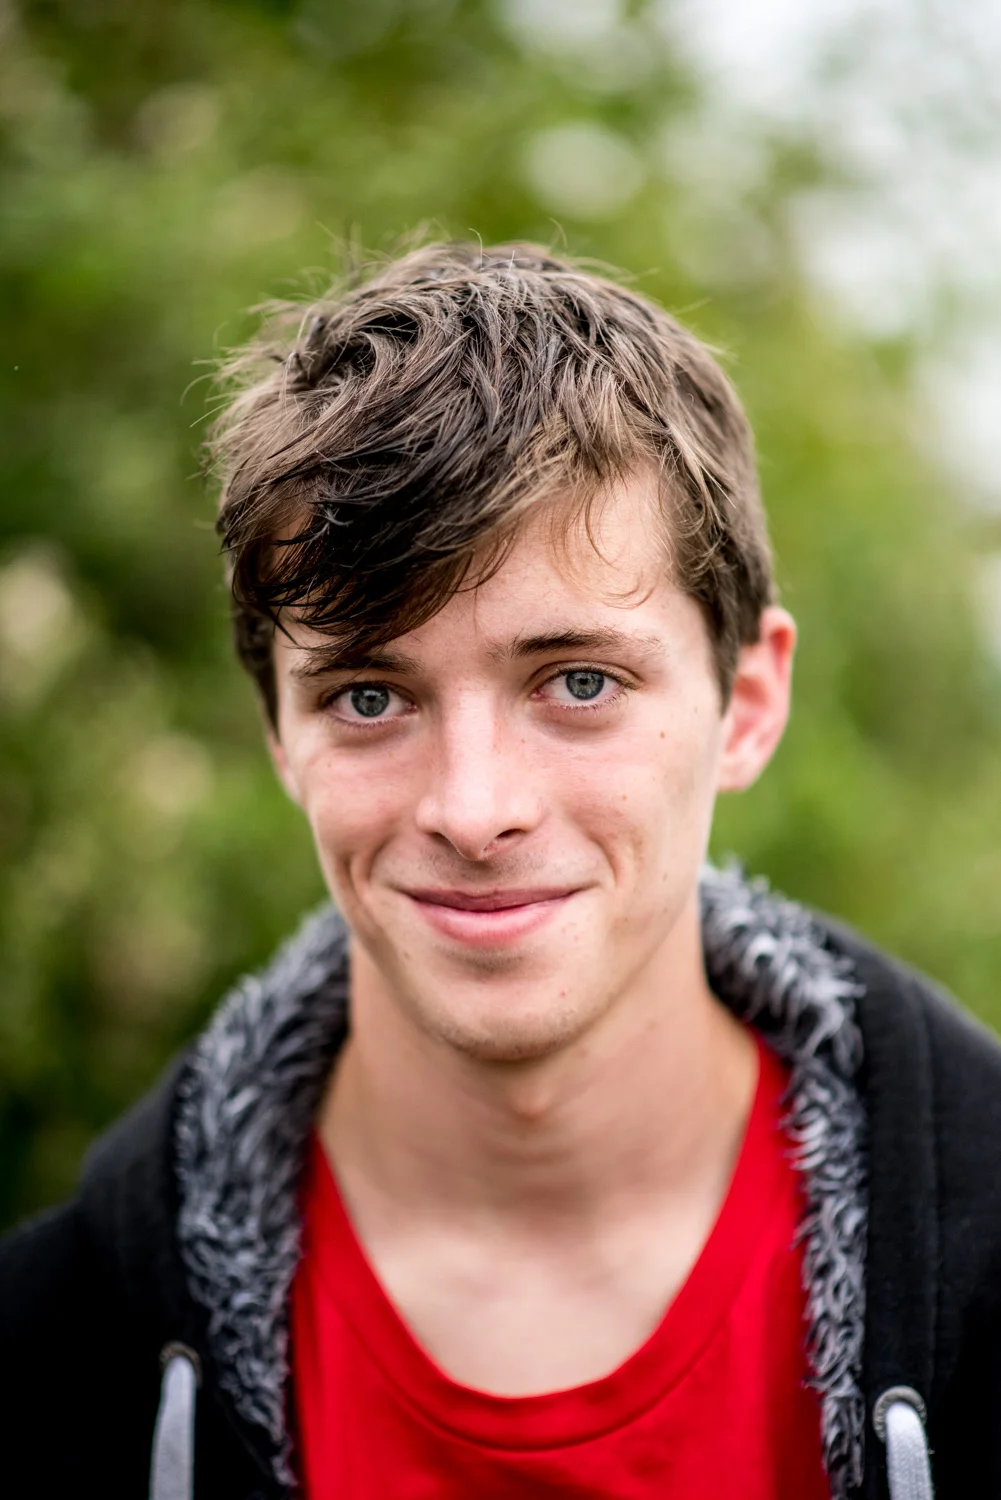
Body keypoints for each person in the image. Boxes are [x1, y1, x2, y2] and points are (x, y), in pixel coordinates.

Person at [2, 243, 999, 1500]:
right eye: (369, 696)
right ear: (280, 736)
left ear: (746, 704)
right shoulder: (49, 1358)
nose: (473, 811)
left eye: (577, 682)